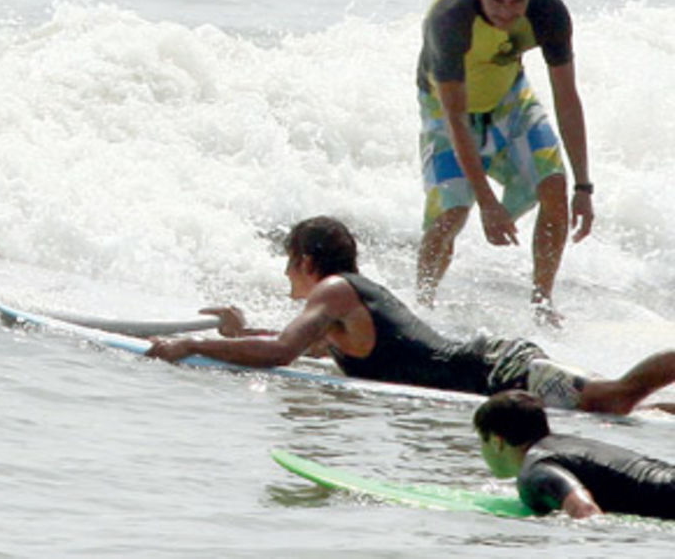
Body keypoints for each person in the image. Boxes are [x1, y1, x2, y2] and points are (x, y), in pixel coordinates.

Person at [146, 216, 675, 415]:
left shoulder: (333, 291)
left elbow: (281, 352)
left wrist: (193, 346)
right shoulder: (340, 309)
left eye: (289, 265)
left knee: (617, 398)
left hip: (498, 369)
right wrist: (238, 334)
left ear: (305, 261)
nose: (288, 278)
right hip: (491, 376)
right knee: (626, 403)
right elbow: (290, 344)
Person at [414, 0, 594, 325]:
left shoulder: (548, 12)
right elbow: (456, 117)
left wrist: (585, 187)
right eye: (496, 1)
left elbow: (567, 99)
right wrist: (486, 202)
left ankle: (542, 304)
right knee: (452, 213)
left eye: (518, 1)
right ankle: (421, 305)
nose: (507, 12)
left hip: (510, 99)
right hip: (446, 110)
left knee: (554, 186)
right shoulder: (450, 19)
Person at [474, 390, 675, 519]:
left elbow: (586, 511)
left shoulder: (536, 470)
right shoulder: (565, 444)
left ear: (496, 441)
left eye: (481, 441)